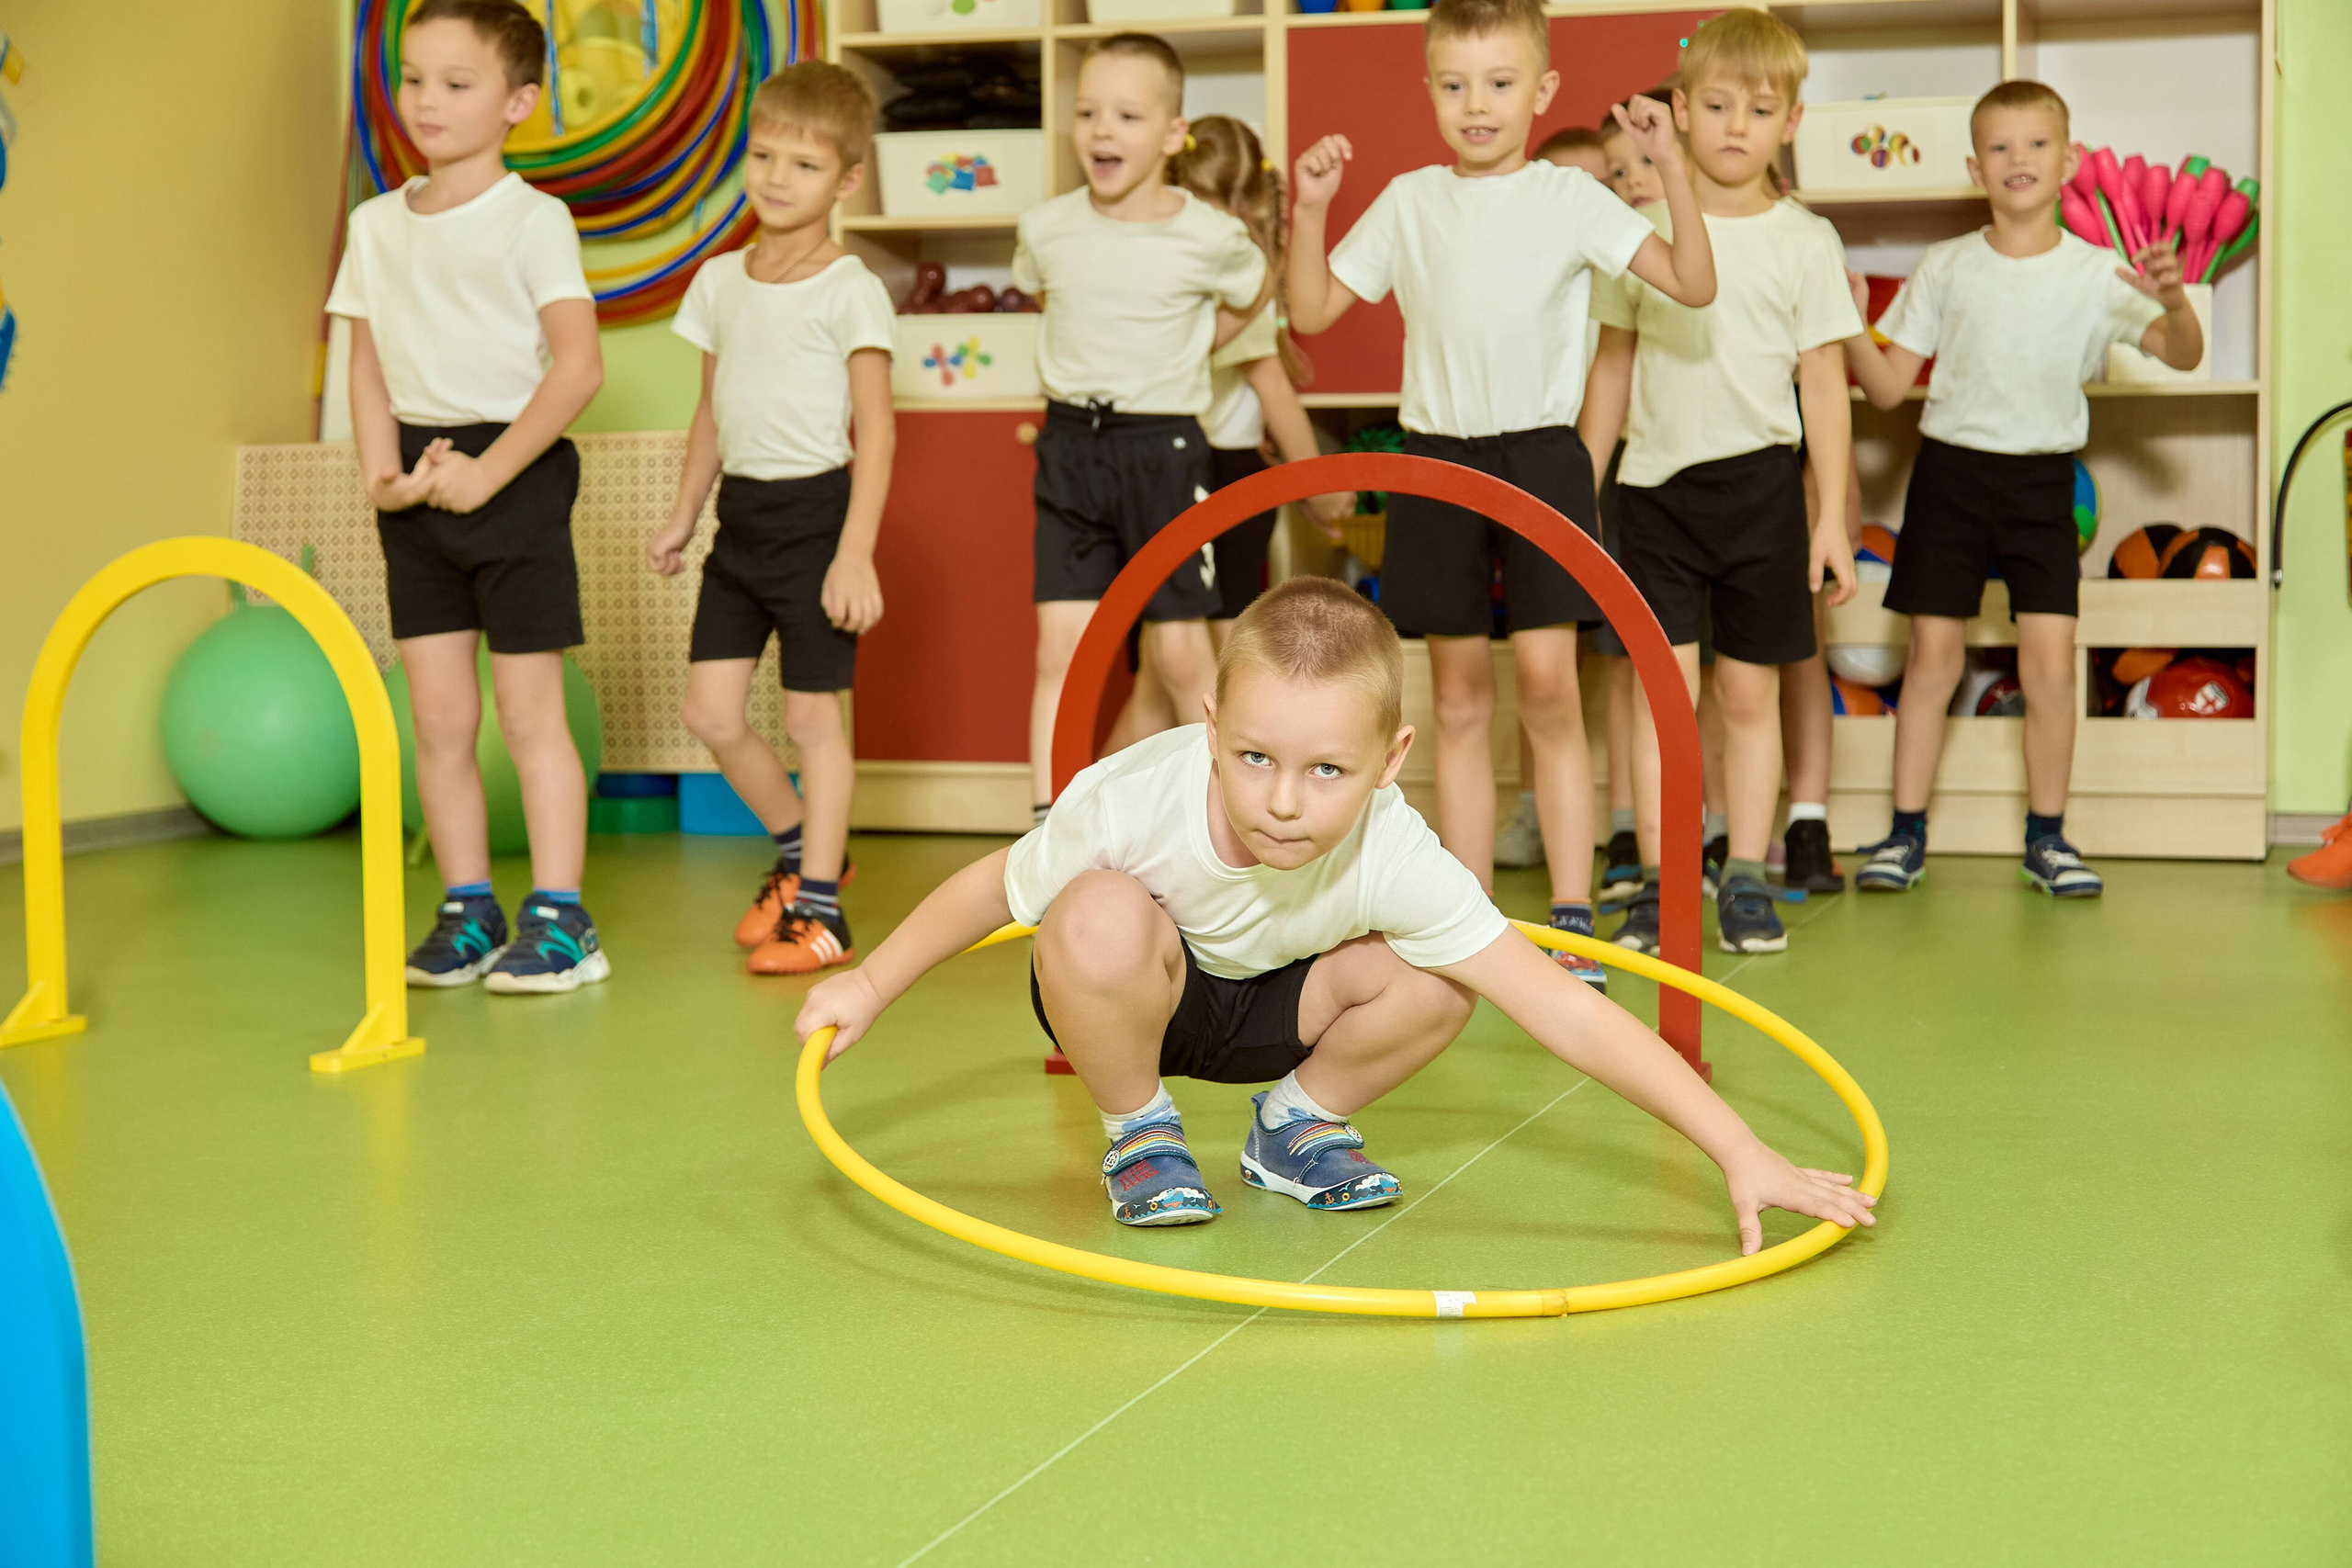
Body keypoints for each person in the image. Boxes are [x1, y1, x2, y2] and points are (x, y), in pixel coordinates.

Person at [795, 578, 1875, 1254]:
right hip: (1139, 996)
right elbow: (991, 889)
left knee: (1450, 969)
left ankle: (1292, 1124)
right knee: (1094, 913)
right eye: (1254, 757)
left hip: (1280, 1007)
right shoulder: (1136, 799)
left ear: (1388, 763)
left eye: (1325, 770)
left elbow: (1562, 1009)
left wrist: (1739, 1151)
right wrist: (870, 981)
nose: (1280, 799)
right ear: (1210, 726)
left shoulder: (1398, 845)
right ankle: (1138, 1132)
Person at [1287, 0, 1716, 989]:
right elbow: (1310, 310)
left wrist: (1670, 171)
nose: (1475, 105)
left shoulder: (1569, 199)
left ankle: (1572, 918)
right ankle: (1466, 917)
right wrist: (1309, 207)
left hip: (1542, 459)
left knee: (1550, 690)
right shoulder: (1407, 200)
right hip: (1435, 459)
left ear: (1542, 92)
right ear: (1429, 88)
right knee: (1462, 701)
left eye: (1498, 83)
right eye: (1452, 84)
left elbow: (1692, 285)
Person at [1843, 80, 2200, 898]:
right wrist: (1845, 321)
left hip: (2044, 482)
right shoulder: (1947, 265)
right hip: (1950, 474)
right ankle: (1906, 835)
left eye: (2036, 144)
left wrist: (2174, 300)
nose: (2018, 160)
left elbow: (2182, 354)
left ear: (2068, 160)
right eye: (2000, 147)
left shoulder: (2097, 273)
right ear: (1976, 167)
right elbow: (1891, 388)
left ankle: (2049, 839)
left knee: (2049, 665)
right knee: (1932, 660)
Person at [329, 0, 607, 994]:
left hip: (513, 469)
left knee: (529, 716)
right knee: (439, 720)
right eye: (413, 78)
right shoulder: (374, 224)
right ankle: (467, 906)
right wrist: (381, 475)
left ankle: (563, 918)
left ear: (519, 102)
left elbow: (577, 368)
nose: (426, 100)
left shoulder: (534, 219)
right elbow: (363, 364)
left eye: (457, 83)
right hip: (413, 475)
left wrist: (490, 474)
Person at [1580, 7, 1862, 956]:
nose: (1735, 124)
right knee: (1667, 697)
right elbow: (1611, 371)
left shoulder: (1804, 241)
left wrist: (1830, 517)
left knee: (1748, 698)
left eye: (1759, 107)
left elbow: (1824, 386)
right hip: (1656, 498)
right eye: (1715, 104)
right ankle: (1667, 882)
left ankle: (1745, 872)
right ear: (1680, 112)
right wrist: (1581, 488)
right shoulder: (1643, 234)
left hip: (1763, 496)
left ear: (1789, 121)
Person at [645, 62, 895, 973]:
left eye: (803, 162)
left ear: (846, 180)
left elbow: (877, 425)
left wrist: (855, 553)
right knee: (710, 712)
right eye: (763, 155)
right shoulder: (719, 282)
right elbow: (711, 410)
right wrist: (683, 515)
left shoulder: (849, 289)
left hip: (819, 519)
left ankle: (824, 913)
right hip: (740, 523)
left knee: (811, 720)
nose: (776, 177)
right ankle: (800, 854)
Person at [1013, 34, 1268, 828]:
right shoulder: (1048, 227)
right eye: (1087, 112)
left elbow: (1254, 292)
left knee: (1180, 652)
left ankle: (1222, 819)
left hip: (1163, 450)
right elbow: (1054, 302)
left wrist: (1193, 351)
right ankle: (1051, 825)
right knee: (1060, 649)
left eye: (1126, 114)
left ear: (1170, 134)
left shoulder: (1208, 234)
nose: (1100, 130)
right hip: (1069, 446)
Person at [1101, 115, 1353, 749]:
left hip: (1213, 477)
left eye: (1236, 205)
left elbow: (1264, 396)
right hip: (1205, 477)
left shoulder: (1204, 280)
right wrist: (1321, 490)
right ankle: (1094, 826)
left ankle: (1086, 828)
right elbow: (1274, 393)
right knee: (1197, 676)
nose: (1229, 221)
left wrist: (1308, 487)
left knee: (1169, 672)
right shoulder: (1225, 290)